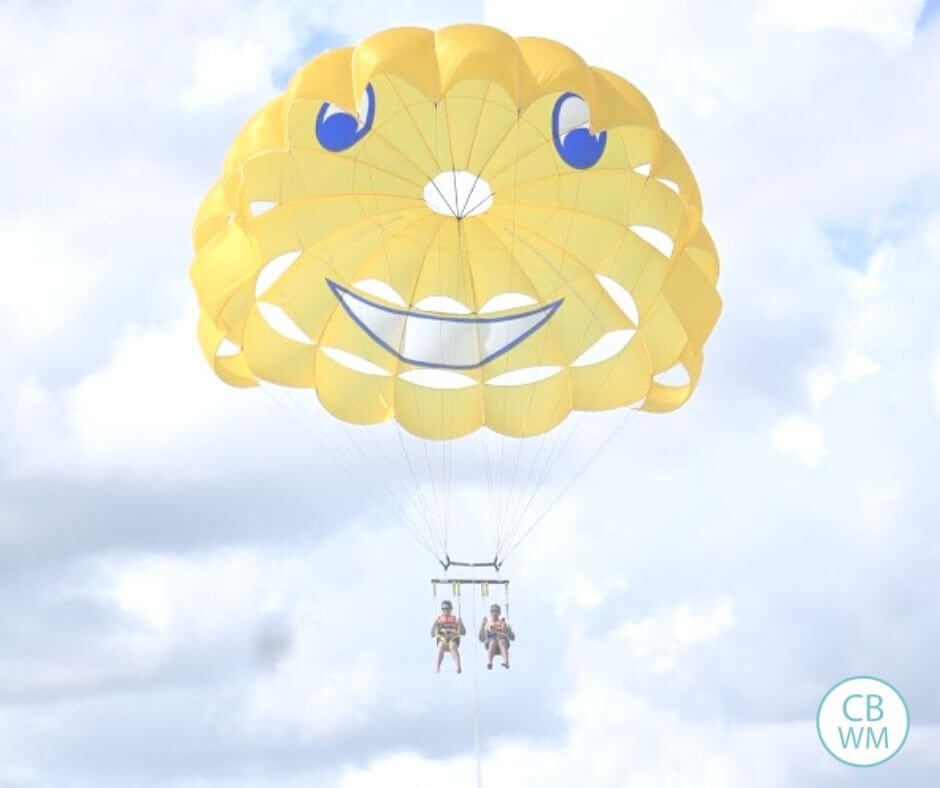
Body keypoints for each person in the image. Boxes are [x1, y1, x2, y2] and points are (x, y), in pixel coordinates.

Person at [432, 600, 465, 673]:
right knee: (441, 645)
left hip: (453, 637)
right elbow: (432, 634)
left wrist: (461, 624)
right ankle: (438, 666)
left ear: (451, 609)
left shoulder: (455, 619)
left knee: (452, 645)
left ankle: (458, 666)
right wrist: (434, 625)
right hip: (442, 637)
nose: (445, 610)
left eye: (447, 608)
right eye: (443, 609)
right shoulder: (439, 619)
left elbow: (463, 633)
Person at [479, 603, 514, 669]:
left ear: (499, 613)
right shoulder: (487, 624)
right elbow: (481, 639)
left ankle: (506, 661)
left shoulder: (503, 623)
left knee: (501, 641)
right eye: (492, 611)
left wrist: (509, 630)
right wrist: (482, 625)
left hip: (502, 639)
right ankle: (489, 662)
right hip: (491, 641)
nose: (494, 613)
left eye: (496, 611)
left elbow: (512, 638)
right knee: (493, 642)